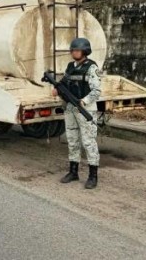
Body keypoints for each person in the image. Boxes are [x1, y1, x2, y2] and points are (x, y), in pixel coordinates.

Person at [52, 37, 101, 189]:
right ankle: (73, 172)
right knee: (72, 140)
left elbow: (96, 90)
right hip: (70, 108)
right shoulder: (70, 66)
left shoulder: (91, 68)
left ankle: (93, 176)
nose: (74, 52)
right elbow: (65, 83)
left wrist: (83, 101)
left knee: (88, 142)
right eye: (73, 50)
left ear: (85, 51)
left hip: (85, 109)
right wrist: (57, 89)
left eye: (77, 50)